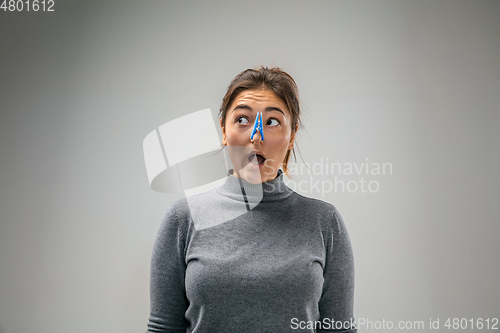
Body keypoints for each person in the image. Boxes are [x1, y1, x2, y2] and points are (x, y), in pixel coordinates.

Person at [146, 66, 357, 333]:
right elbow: (163, 327)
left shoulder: (325, 222)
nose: (256, 136)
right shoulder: (183, 217)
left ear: (291, 136)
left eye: (272, 122)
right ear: (223, 131)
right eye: (242, 120)